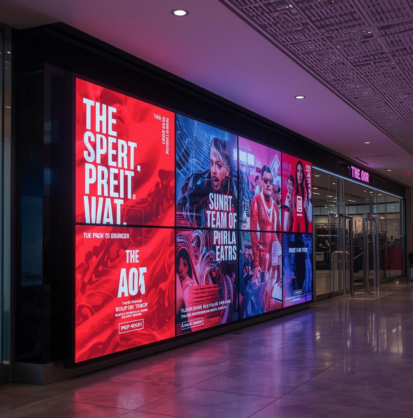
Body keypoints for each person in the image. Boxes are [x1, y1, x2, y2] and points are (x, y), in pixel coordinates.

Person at [177, 137, 237, 228]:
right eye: (211, 163)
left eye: (218, 165)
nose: (213, 170)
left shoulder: (233, 189)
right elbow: (181, 211)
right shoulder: (199, 183)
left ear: (227, 170)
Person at [250, 165, 281, 312]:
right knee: (260, 297)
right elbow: (253, 233)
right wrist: (256, 263)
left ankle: (267, 315)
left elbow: (279, 234)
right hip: (262, 259)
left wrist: (280, 263)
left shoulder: (275, 207)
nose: (268, 184)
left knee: (269, 292)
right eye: (266, 181)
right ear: (261, 181)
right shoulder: (256, 201)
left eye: (270, 181)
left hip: (273, 258)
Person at [293, 160, 311, 232]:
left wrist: (306, 210)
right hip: (295, 223)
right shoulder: (293, 190)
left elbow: (309, 219)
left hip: (303, 223)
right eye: (298, 171)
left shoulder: (306, 191)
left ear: (303, 173)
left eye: (301, 172)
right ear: (296, 173)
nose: (299, 175)